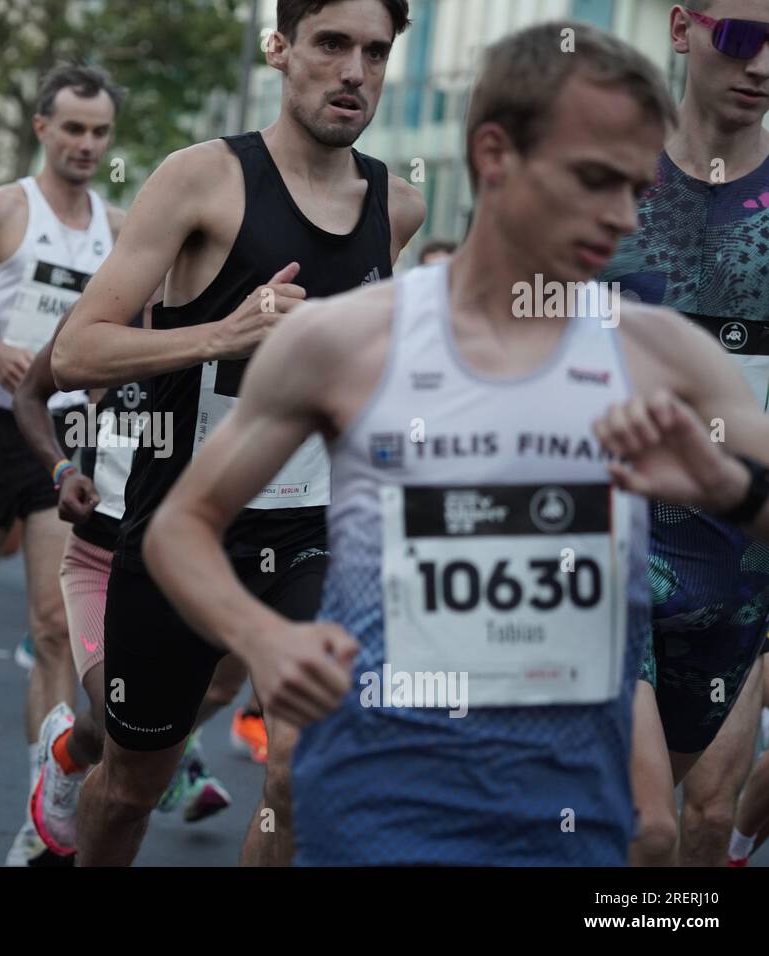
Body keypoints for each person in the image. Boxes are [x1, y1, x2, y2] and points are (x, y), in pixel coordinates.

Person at [141, 19, 769, 866]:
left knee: (656, 844)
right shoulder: (350, 342)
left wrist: (730, 490)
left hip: (563, 814)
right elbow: (180, 528)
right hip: (379, 795)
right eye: (594, 181)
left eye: (634, 189)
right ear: (495, 153)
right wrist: (261, 638)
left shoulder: (655, 352)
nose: (622, 219)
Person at [53, 0, 423, 866]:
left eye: (375, 52)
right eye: (331, 45)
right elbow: (76, 350)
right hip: (183, 530)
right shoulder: (201, 178)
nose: (354, 72)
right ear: (280, 48)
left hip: (312, 531)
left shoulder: (398, 207)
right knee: (131, 785)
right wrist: (225, 333)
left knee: (300, 773)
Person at [0, 65, 128, 865]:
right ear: (42, 126)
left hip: (68, 448)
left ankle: (46, 808)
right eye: (72, 127)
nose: (85, 144)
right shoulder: (1, 210)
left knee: (51, 626)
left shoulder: (121, 226)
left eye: (99, 131)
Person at [597, 0, 769, 866]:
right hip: (603, 552)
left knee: (705, 822)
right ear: (681, 28)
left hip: (742, 571)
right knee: (641, 825)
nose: (764, 62)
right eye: (743, 35)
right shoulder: (603, 183)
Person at [13, 297, 236, 858]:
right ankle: (67, 755)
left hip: (199, 563)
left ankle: (164, 741)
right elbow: (29, 396)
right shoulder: (108, 316)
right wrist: (62, 469)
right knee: (119, 731)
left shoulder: (237, 322)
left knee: (220, 689)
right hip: (103, 559)